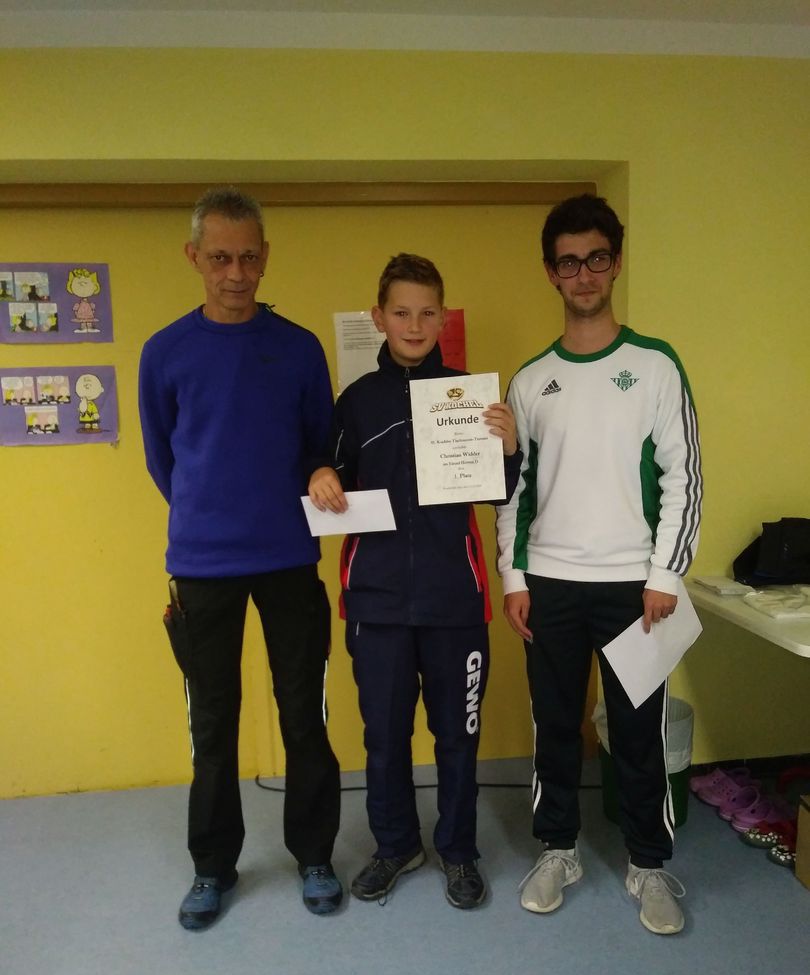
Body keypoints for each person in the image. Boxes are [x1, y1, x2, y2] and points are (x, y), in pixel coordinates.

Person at [496, 194, 702, 935]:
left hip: (633, 589)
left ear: (615, 263)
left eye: (596, 259)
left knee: (637, 733)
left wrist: (665, 575)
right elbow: (514, 491)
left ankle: (649, 863)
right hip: (549, 585)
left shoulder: (654, 366)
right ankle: (558, 850)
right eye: (568, 262)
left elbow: (683, 477)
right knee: (555, 728)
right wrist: (514, 577)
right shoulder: (530, 381)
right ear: (550, 272)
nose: (583, 274)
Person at [138, 186, 342, 930]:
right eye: (220, 258)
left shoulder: (299, 347)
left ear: (265, 257)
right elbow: (164, 459)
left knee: (304, 715)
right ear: (194, 257)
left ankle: (313, 856)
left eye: (248, 258)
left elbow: (320, 444)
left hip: (289, 558)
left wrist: (315, 473)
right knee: (213, 726)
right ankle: (212, 867)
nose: (235, 273)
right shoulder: (164, 352)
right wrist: (209, 512)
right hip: (202, 564)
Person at [309, 253, 521, 909]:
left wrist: (509, 449)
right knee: (384, 738)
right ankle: (396, 845)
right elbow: (327, 473)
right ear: (379, 317)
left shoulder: (471, 398)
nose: (414, 324)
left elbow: (502, 492)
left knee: (458, 738)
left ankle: (458, 851)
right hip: (376, 603)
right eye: (401, 312)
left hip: (455, 600)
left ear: (443, 317)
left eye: (428, 312)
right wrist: (320, 474)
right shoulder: (355, 402)